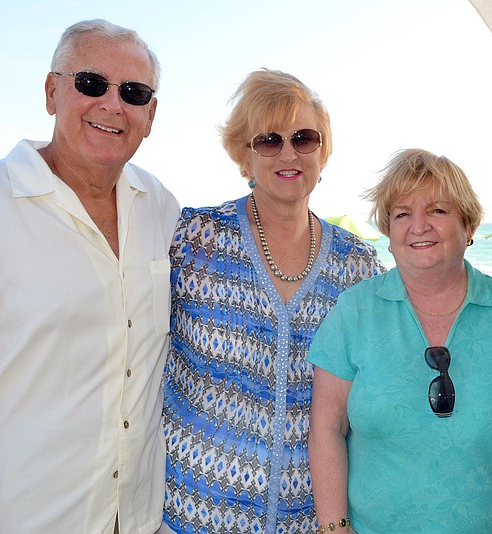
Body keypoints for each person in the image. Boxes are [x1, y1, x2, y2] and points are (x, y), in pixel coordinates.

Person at [0, 19, 179, 533]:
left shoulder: (162, 209)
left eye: (133, 91)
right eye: (90, 83)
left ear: (151, 114)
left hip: (139, 520)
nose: (111, 104)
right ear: (52, 91)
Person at [160, 69, 384, 534]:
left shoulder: (356, 266)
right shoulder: (193, 239)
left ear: (323, 152)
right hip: (191, 517)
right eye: (268, 140)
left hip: (311, 520)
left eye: (304, 138)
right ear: (244, 156)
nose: (288, 153)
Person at [307, 149, 492, 533]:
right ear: (388, 233)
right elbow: (327, 427)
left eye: (438, 211)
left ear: (469, 226)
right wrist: (334, 528)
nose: (418, 226)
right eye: (402, 214)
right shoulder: (355, 311)